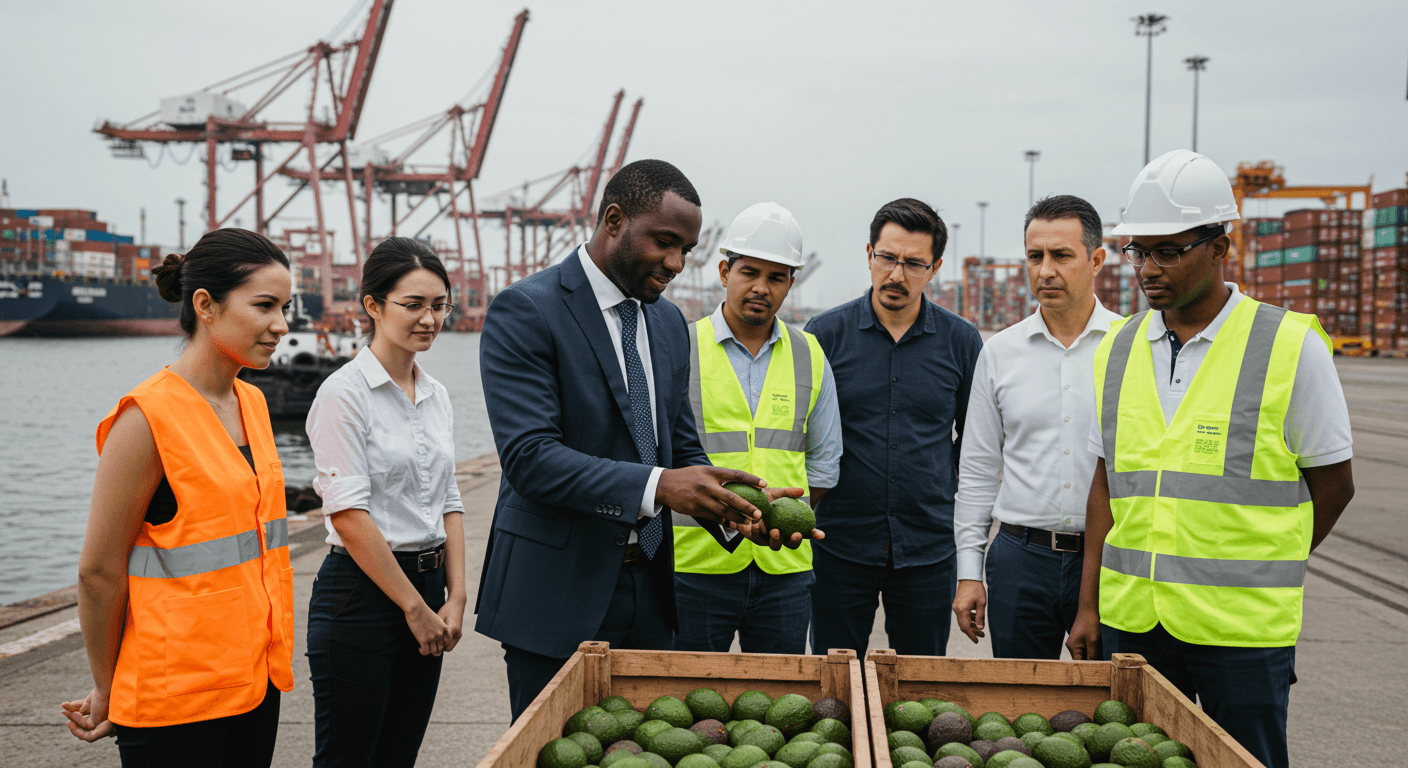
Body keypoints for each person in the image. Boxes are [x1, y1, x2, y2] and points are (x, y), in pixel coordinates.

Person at [475, 160, 805, 720]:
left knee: (640, 753)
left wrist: (738, 506)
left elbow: (679, 449)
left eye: (688, 249)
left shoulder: (669, 324)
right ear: (613, 219)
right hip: (557, 595)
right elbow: (530, 458)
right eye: (666, 242)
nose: (677, 263)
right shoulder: (527, 309)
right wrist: (661, 486)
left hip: (651, 596)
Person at [1066, 150, 1355, 768]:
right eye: (1138, 250)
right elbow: (1104, 483)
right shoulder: (1115, 350)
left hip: (1242, 633)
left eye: (1168, 250)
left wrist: (1266, 559)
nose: (1147, 268)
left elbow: (1334, 485)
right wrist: (1088, 605)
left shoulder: (1289, 346)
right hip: (1136, 621)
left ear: (1222, 247)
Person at [61, 229, 295, 766]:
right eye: (264, 306)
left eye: (285, 307)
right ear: (205, 305)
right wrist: (107, 686)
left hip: (254, 683)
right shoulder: (145, 419)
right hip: (174, 698)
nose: (281, 325)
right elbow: (98, 570)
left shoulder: (251, 404)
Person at [304, 237, 466, 766]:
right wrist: (414, 608)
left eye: (439, 305)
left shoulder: (436, 394)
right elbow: (348, 515)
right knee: (348, 758)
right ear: (372, 306)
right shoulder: (343, 394)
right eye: (413, 305)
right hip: (361, 594)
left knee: (398, 756)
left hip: (426, 585)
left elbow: (449, 496)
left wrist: (456, 596)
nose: (429, 319)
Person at [804, 198, 982, 657]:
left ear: (935, 267)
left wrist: (941, 489)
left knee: (918, 696)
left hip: (927, 551)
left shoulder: (961, 341)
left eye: (913, 263)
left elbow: (976, 441)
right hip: (839, 546)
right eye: (887, 258)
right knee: (832, 687)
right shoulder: (823, 336)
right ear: (869, 255)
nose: (897, 275)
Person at [952, 195, 1121, 658]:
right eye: (1034, 256)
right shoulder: (1000, 353)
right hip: (1019, 561)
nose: (1045, 270)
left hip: (1110, 560)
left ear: (1097, 259)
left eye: (1061, 255)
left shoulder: (1131, 350)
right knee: (1015, 717)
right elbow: (979, 470)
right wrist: (970, 571)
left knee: (1111, 712)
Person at [673, 203, 842, 654]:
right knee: (688, 707)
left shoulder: (810, 354)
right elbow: (655, 457)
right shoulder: (680, 347)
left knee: (779, 713)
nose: (761, 288)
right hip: (694, 567)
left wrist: (781, 518)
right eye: (750, 272)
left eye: (777, 277)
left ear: (791, 283)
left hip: (783, 568)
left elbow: (825, 465)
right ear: (725, 271)